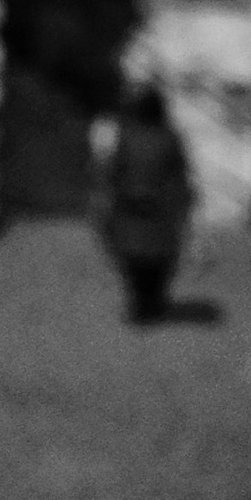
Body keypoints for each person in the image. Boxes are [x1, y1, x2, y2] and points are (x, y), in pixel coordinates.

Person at [98, 79, 194, 322]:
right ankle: (146, 302)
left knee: (142, 260)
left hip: (145, 210)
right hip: (142, 210)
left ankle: (147, 302)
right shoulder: (159, 137)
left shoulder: (140, 136)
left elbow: (114, 171)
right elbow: (116, 171)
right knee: (147, 261)